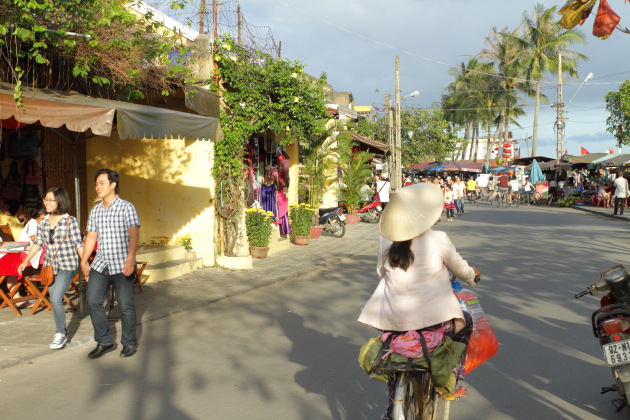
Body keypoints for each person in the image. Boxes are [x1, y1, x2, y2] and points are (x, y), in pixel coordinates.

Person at [358, 183, 480, 414]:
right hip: (437, 318)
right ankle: (449, 379)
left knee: (396, 360)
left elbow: (380, 272)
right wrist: (472, 276)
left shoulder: (386, 240)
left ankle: (394, 404)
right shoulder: (438, 238)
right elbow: (462, 269)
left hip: (393, 318)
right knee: (466, 322)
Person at [82, 169, 141, 359]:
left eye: (101, 183)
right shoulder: (96, 210)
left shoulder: (126, 207)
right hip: (101, 263)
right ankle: (105, 340)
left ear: (113, 185)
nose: (97, 187)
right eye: (96, 183)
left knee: (125, 305)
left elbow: (134, 234)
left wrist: (131, 258)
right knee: (92, 301)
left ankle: (129, 343)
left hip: (122, 263)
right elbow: (91, 237)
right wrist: (84, 261)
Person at [17, 187, 84, 350]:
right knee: (55, 300)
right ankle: (62, 332)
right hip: (50, 267)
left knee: (55, 299)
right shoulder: (44, 220)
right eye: (45, 199)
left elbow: (78, 244)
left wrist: (85, 264)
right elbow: (38, 242)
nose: (46, 203)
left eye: (51, 200)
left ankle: (60, 333)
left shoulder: (70, 220)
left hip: (68, 265)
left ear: (60, 201)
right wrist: (25, 261)